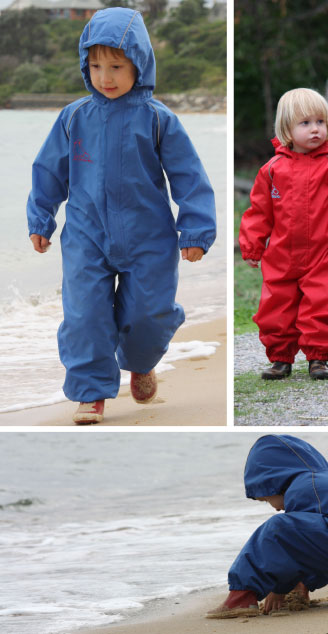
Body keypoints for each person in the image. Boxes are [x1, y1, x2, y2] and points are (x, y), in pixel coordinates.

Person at [27, 8, 216, 423]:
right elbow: (48, 171)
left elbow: (189, 177)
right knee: (85, 316)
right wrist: (41, 219)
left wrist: (196, 231)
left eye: (116, 66)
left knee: (148, 314)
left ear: (139, 64)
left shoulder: (158, 119)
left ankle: (142, 360)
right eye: (95, 66)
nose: (104, 77)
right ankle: (91, 392)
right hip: (85, 236)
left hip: (148, 238)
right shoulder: (74, 117)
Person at [239, 88, 328, 381]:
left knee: (323, 304)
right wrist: (252, 245)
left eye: (320, 122)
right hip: (282, 254)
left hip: (325, 253)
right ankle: (280, 358)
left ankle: (319, 358)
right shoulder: (272, 170)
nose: (315, 129)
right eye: (305, 123)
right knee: (276, 307)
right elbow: (259, 211)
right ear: (287, 129)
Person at [207, 435, 328, 618]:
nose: (274, 507)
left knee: (277, 529)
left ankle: (241, 597)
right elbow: (315, 545)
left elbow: (293, 548)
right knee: (321, 536)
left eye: (265, 499)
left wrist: (281, 588)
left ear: (274, 482)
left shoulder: (303, 486)